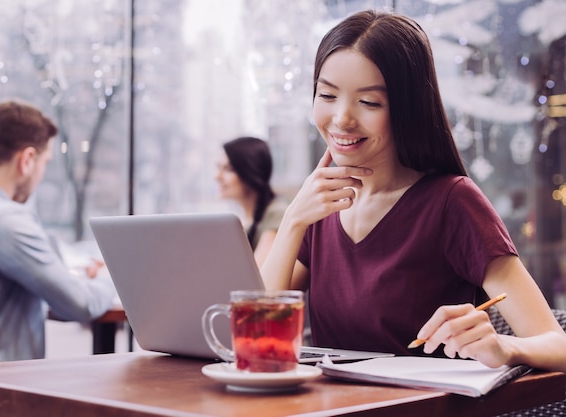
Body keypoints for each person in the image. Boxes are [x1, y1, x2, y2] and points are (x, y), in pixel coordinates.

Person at [260, 10, 566, 371]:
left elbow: (556, 345)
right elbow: (256, 331)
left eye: (369, 102)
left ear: (408, 109)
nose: (341, 117)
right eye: (326, 95)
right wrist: (294, 220)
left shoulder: (452, 202)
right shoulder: (318, 205)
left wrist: (503, 346)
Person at [0, 99, 116, 363]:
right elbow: (81, 305)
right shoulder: (4, 221)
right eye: (45, 162)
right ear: (27, 159)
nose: (41, 173)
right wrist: (108, 275)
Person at [215, 136, 287, 266]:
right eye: (218, 167)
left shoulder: (276, 213)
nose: (217, 176)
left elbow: (256, 281)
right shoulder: (244, 220)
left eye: (228, 169)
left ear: (249, 171)